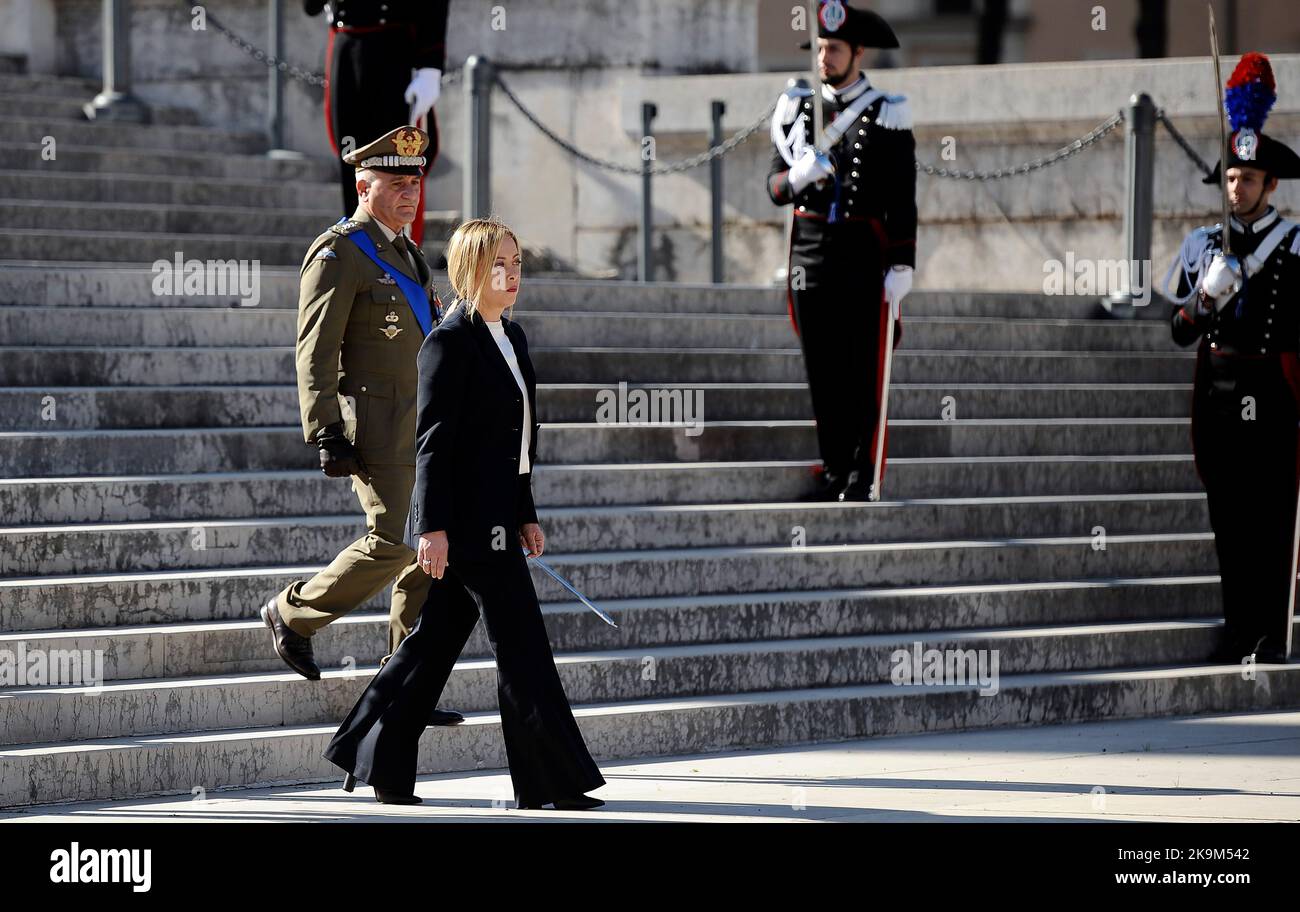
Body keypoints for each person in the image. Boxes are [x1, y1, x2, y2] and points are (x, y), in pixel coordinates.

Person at [323, 218, 607, 809]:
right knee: (523, 648)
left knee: (431, 644)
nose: (511, 275)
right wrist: (430, 528)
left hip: (501, 518)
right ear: (468, 272)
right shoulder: (448, 342)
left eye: (517, 263)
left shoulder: (514, 336)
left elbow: (519, 436)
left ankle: (380, 760)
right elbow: (432, 443)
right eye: (497, 265)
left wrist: (526, 510)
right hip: (470, 530)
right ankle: (549, 785)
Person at [259, 125, 463, 727]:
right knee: (395, 542)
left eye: (415, 183)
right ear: (361, 184)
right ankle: (292, 614)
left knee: (428, 556)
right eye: (396, 183)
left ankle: (406, 683)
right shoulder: (339, 253)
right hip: (376, 422)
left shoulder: (407, 253)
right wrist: (324, 428)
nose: (409, 194)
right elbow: (314, 351)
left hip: (421, 423)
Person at [1165, 52, 1300, 665]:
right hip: (1218, 396)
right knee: (1229, 520)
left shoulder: (1295, 247)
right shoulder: (1203, 245)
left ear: (1270, 184)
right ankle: (1238, 623)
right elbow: (1178, 330)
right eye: (1230, 178)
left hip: (1268, 392)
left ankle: (1271, 630)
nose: (1236, 187)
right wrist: (1205, 294)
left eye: (1248, 178)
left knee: (1271, 519)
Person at [766, 3, 917, 502]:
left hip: (862, 256)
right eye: (821, 48)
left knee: (862, 370)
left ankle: (862, 472)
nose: (824, 58)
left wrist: (902, 262)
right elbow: (774, 187)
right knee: (822, 368)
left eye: (834, 49)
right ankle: (833, 466)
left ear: (858, 52)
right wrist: (796, 177)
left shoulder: (885, 111)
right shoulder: (797, 108)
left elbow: (901, 196)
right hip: (810, 256)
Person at [304, 0, 449, 246]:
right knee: (351, 157)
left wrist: (430, 65)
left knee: (399, 160)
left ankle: (401, 258)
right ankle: (359, 253)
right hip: (345, 41)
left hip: (395, 47)